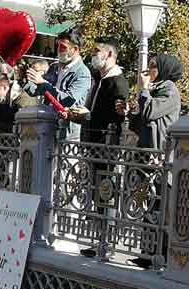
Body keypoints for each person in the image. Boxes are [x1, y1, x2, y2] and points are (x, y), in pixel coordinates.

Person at [64, 37, 129, 258]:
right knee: (97, 195)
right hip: (94, 145)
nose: (93, 55)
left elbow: (117, 116)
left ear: (109, 55)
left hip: (107, 147)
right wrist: (80, 115)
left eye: (97, 51)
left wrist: (88, 115)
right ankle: (100, 241)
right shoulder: (99, 79)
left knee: (106, 193)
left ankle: (107, 244)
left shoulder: (118, 82)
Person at [118, 53, 182, 269]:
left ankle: (160, 253)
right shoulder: (155, 89)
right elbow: (141, 121)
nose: (149, 70)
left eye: (153, 66)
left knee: (160, 204)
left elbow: (151, 110)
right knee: (148, 201)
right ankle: (146, 252)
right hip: (146, 154)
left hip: (160, 156)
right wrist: (128, 113)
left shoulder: (169, 90)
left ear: (164, 69)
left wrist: (143, 89)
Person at [25, 27, 91, 139]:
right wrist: (27, 80)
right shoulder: (54, 67)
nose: (59, 50)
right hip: (46, 127)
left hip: (67, 133)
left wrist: (43, 82)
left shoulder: (82, 73)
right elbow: (37, 90)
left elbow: (68, 100)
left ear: (75, 49)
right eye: (58, 45)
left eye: (63, 47)